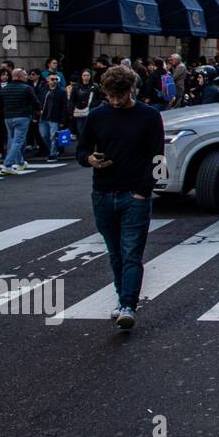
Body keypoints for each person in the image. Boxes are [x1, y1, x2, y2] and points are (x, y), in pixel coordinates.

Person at [76, 65, 165, 330]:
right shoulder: (97, 116)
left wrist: (144, 191)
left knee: (131, 254)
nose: (115, 101)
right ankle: (121, 299)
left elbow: (158, 157)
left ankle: (128, 304)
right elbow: (82, 149)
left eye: (121, 95)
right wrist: (89, 159)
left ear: (132, 90)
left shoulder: (149, 116)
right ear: (105, 92)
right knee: (115, 253)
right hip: (102, 192)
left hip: (134, 195)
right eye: (111, 96)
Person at [0, 68, 39, 175]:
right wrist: (38, 110)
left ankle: (20, 162)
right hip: (22, 116)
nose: (26, 77)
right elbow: (35, 102)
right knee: (18, 141)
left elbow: (0, 104)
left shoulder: (5, 89)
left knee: (11, 140)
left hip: (8, 116)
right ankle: (7, 165)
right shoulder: (27, 88)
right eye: (25, 75)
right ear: (19, 76)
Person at [38, 72, 70, 161]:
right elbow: (39, 102)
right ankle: (52, 150)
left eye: (56, 79)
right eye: (52, 79)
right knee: (44, 135)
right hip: (43, 117)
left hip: (54, 117)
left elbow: (64, 107)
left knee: (53, 136)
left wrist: (63, 120)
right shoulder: (43, 90)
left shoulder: (62, 91)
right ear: (48, 80)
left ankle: (53, 153)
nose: (55, 81)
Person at [69, 69, 103, 138]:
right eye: (84, 75)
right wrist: (71, 111)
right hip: (79, 111)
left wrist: (95, 105)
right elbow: (72, 100)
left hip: (91, 111)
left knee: (91, 131)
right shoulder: (76, 87)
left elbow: (100, 98)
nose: (86, 77)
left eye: (87, 75)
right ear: (81, 76)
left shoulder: (95, 86)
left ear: (90, 76)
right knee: (80, 131)